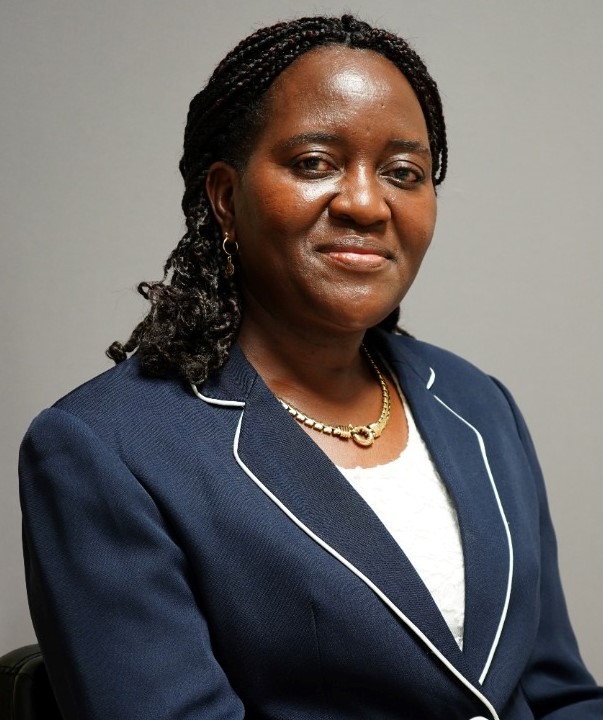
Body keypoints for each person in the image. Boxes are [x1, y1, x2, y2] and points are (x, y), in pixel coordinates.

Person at [19, 14, 603, 720]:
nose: (366, 203)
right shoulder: (106, 448)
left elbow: (558, 694)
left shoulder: (477, 403)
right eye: (315, 163)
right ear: (226, 198)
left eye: (403, 174)